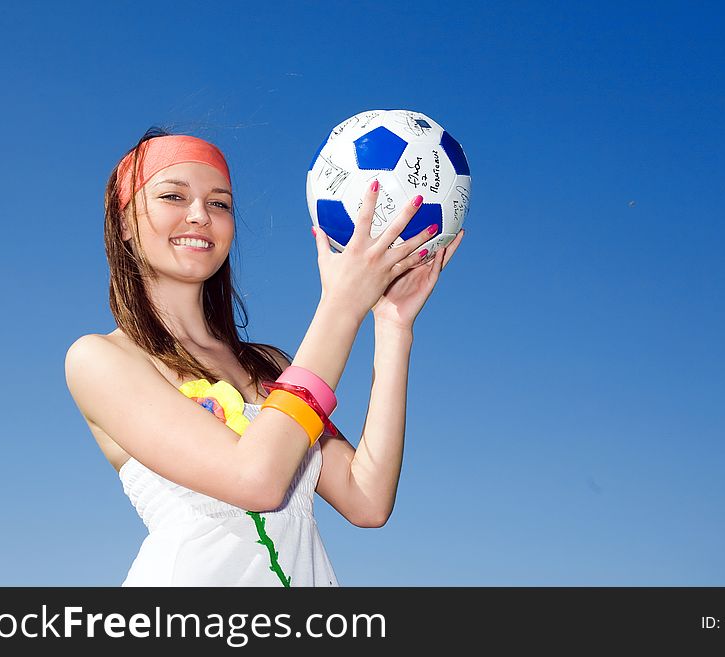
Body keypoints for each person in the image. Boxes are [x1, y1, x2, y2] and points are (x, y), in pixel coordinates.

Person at [64, 127, 465, 586]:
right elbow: (256, 480)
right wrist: (340, 306)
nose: (199, 215)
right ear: (123, 225)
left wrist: (393, 325)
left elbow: (366, 499)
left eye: (219, 203)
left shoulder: (270, 366)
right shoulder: (100, 359)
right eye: (173, 196)